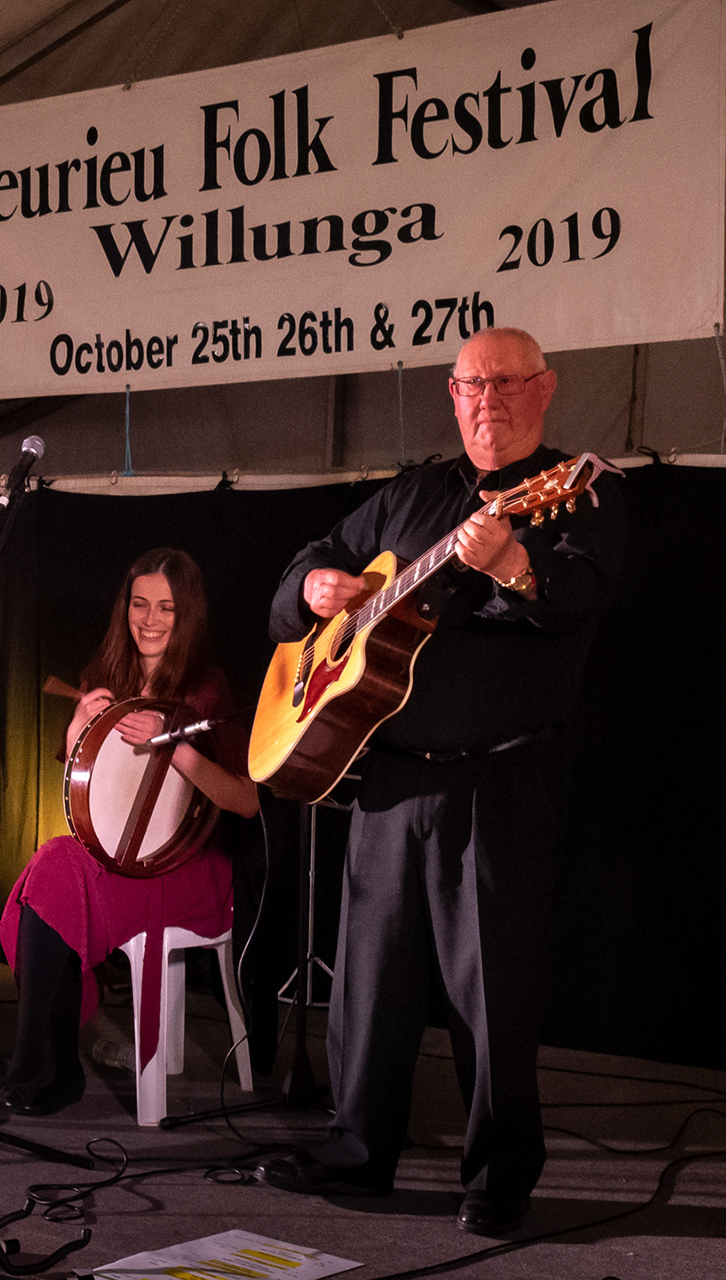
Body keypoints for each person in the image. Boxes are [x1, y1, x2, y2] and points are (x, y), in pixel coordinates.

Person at [257, 328, 627, 1236]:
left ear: (546, 389)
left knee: (492, 993)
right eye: (471, 385)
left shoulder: (579, 491)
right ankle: (357, 1152)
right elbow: (302, 570)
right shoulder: (411, 493)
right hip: (390, 777)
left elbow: (580, 597)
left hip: (497, 780)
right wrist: (314, 590)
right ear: (451, 396)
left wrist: (511, 564)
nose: (487, 399)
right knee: (369, 984)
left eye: (506, 383)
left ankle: (498, 1179)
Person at [0, 548, 259, 1115]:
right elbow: (84, 788)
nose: (150, 619)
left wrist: (176, 747)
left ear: (187, 615)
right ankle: (46, 1063)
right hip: (119, 859)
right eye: (140, 604)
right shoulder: (107, 676)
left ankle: (38, 1066)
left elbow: (246, 801)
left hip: (188, 867)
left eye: (166, 607)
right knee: (52, 864)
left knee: (53, 881)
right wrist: (78, 727)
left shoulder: (207, 687)